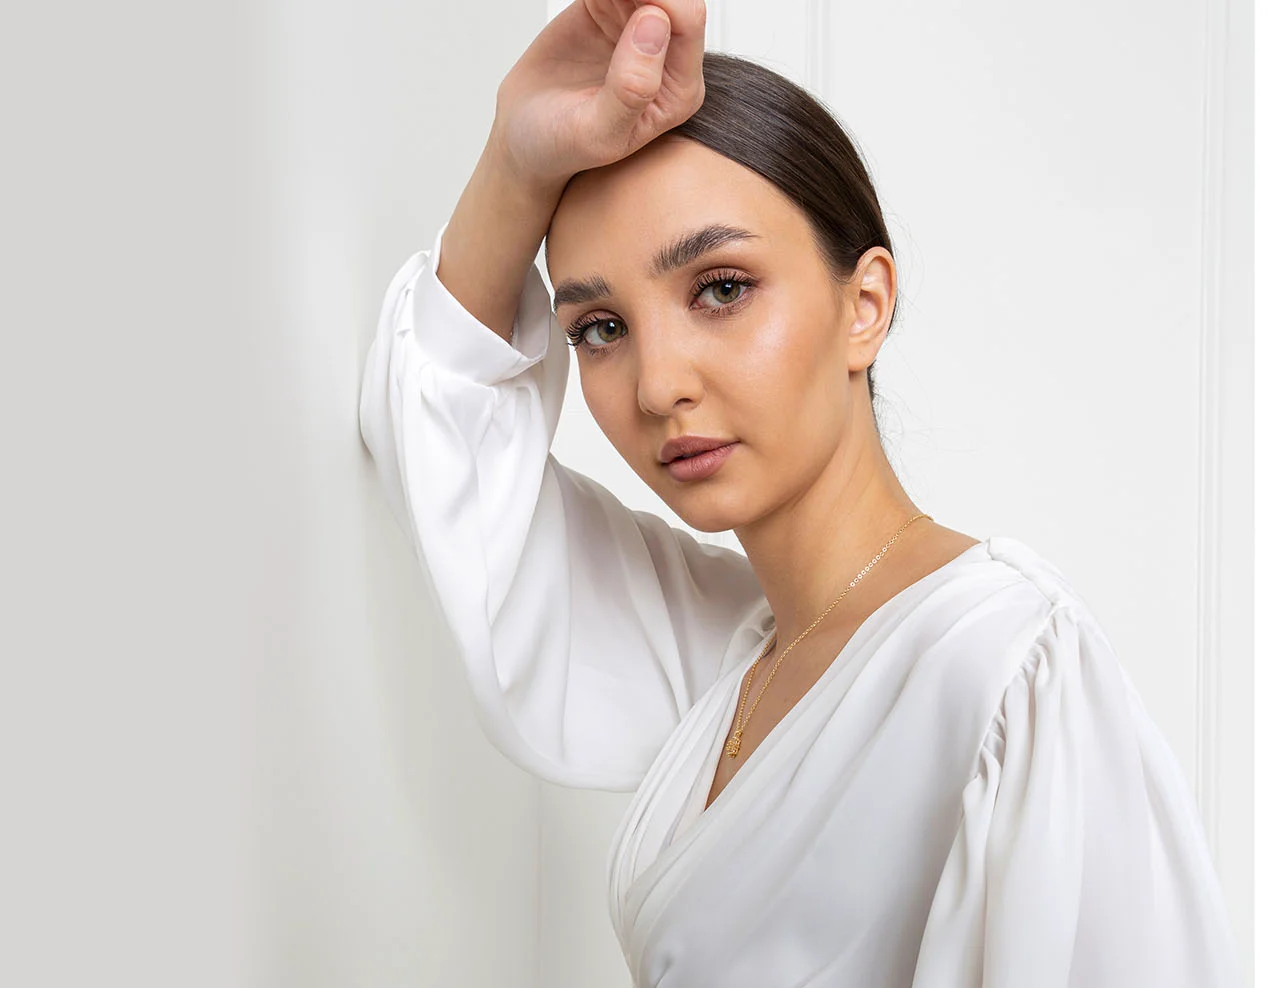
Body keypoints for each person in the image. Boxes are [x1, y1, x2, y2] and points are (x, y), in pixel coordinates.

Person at [355, 1, 1243, 984]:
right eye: (599, 327)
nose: (657, 386)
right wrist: (515, 162)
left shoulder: (1002, 664)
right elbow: (447, 450)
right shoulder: (725, 655)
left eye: (720, 288)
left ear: (863, 305)